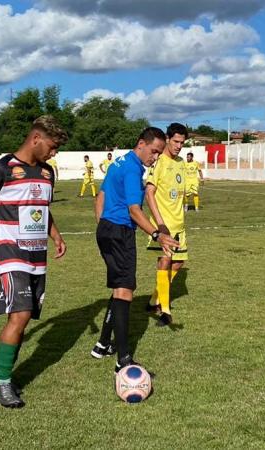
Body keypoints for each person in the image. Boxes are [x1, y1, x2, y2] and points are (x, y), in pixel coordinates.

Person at [0, 115, 69, 409]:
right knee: (19, 316)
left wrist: (56, 236)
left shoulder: (47, 173)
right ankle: (2, 383)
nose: (54, 153)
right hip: (8, 254)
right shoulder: (1, 169)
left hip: (37, 257)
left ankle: (3, 377)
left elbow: (42, 210)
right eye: (53, 146)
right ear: (36, 138)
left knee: (23, 318)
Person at [90, 127, 177, 373]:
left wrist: (103, 225)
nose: (155, 158)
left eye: (159, 154)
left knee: (120, 286)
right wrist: (157, 235)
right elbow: (134, 210)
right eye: (154, 152)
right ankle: (123, 358)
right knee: (126, 291)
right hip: (119, 232)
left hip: (107, 230)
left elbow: (102, 195)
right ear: (141, 143)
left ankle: (103, 344)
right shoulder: (132, 168)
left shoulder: (118, 162)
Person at [144, 123, 190, 327]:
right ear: (168, 139)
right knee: (164, 262)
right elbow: (149, 193)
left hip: (179, 224)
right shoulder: (159, 162)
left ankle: (154, 299)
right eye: (176, 141)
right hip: (163, 225)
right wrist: (160, 224)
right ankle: (165, 310)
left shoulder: (181, 163)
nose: (179, 146)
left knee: (178, 264)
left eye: (182, 142)